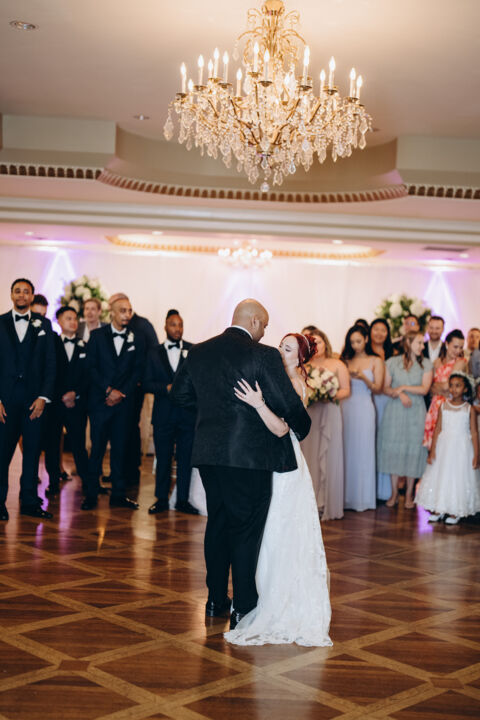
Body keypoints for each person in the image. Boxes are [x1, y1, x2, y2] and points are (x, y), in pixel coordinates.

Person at [171, 299, 311, 631]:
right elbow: (286, 401)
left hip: (209, 454)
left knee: (217, 523)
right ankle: (243, 606)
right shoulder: (263, 355)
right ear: (254, 321)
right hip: (249, 457)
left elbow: (179, 396)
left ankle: (215, 600)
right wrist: (302, 427)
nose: (265, 332)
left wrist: (213, 412)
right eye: (265, 326)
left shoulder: (198, 351)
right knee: (246, 529)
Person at [224, 333, 331, 647]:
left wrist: (257, 403)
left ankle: (278, 600)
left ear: (300, 357)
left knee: (279, 529)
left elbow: (282, 428)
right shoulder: (284, 379)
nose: (279, 351)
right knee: (274, 529)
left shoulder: (294, 384)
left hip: (284, 461)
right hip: (274, 458)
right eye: (280, 346)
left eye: (287, 348)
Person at [81, 296, 144, 510]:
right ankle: (91, 494)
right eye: (123, 310)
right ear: (112, 313)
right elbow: (90, 368)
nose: (127, 314)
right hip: (100, 403)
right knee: (97, 450)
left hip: (123, 405)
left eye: (129, 310)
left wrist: (121, 393)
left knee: (120, 450)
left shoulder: (137, 338)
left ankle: (118, 494)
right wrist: (108, 390)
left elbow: (137, 371)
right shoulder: (97, 336)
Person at [0, 278, 55, 521]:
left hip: (34, 402)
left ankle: (30, 502)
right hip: (6, 401)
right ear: (11, 295)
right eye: (17, 291)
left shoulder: (44, 324)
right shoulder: (0, 322)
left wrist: (43, 396)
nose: (22, 295)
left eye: (26, 292)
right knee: (2, 454)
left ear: (32, 296)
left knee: (32, 454)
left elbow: (51, 364)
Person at [144, 309, 197, 515]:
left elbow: (199, 381)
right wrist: (164, 388)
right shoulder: (153, 352)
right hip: (163, 415)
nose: (178, 329)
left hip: (187, 415)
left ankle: (182, 500)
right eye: (173, 325)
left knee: (186, 459)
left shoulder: (193, 350)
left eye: (180, 325)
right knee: (163, 458)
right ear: (165, 327)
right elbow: (146, 383)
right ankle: (161, 499)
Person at [108, 293, 159, 487]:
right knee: (118, 429)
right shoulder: (113, 328)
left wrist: (140, 381)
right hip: (115, 388)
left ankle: (131, 469)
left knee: (130, 427)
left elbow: (153, 353)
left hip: (134, 387)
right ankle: (119, 471)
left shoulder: (142, 325)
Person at [377, 332, 433, 508]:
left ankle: (409, 494)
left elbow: (424, 389)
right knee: (393, 450)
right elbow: (385, 387)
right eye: (419, 343)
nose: (422, 346)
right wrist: (399, 393)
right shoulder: (392, 362)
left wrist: (403, 387)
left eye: (422, 343)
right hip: (395, 409)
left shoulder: (426, 363)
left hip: (416, 410)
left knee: (413, 449)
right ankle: (394, 493)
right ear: (408, 343)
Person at [415, 373, 480, 524]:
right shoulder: (443, 406)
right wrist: (432, 450)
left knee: (457, 477)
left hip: (462, 449)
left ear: (465, 389)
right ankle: (439, 508)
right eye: (451, 385)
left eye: (458, 386)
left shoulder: (468, 409)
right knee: (442, 476)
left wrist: (476, 455)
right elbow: (438, 429)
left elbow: (474, 433)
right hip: (444, 448)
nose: (453, 389)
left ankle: (455, 510)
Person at [300, 325, 350, 520]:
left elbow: (346, 390)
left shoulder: (337, 364)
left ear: (325, 342)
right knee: (309, 455)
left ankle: (325, 502)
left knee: (328, 455)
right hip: (310, 412)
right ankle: (309, 502)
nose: (316, 345)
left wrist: (327, 394)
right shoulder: (302, 366)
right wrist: (312, 395)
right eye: (311, 342)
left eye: (318, 341)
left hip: (330, 411)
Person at [44, 306, 89, 496]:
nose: (73, 322)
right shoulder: (51, 344)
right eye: (68, 318)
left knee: (79, 445)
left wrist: (75, 394)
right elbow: (49, 371)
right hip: (56, 404)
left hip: (77, 405)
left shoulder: (85, 346)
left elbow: (89, 375)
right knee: (52, 444)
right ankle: (53, 481)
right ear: (59, 321)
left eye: (75, 319)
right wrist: (62, 395)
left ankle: (87, 483)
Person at [340, 324, 384, 512]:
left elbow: (378, 388)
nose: (356, 345)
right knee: (346, 450)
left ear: (366, 339)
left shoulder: (375, 360)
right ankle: (345, 497)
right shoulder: (345, 360)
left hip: (364, 407)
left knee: (363, 450)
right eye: (352, 342)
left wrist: (362, 377)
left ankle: (362, 498)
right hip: (345, 407)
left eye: (358, 341)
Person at [423, 329, 467, 449]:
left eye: (461, 347)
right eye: (455, 347)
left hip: (450, 407)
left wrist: (437, 386)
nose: (458, 351)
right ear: (447, 344)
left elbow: (448, 386)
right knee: (433, 446)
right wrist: (439, 387)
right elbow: (429, 387)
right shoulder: (436, 362)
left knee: (446, 446)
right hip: (434, 407)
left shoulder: (460, 362)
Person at [369, 319, 395, 501]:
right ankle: (370, 488)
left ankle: (385, 489)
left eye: (383, 330)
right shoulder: (364, 353)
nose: (379, 333)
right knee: (370, 440)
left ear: (388, 334)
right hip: (370, 399)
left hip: (387, 402)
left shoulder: (393, 354)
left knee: (385, 442)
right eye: (376, 329)